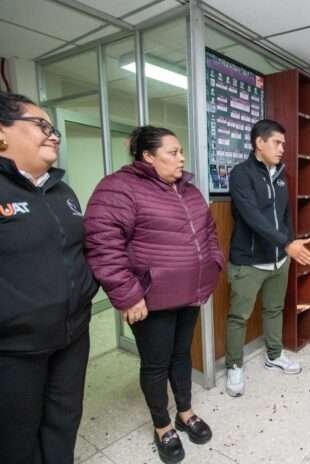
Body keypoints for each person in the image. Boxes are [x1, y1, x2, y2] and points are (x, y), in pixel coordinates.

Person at [84, 126, 222, 464]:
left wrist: (213, 263)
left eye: (181, 151)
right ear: (148, 156)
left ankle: (185, 413)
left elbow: (209, 232)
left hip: (190, 292)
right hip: (150, 298)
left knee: (181, 355)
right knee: (156, 363)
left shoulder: (188, 190)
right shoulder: (118, 188)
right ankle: (163, 426)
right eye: (173, 152)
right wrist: (129, 295)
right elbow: (103, 246)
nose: (182, 158)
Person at [0, 91, 99, 463]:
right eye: (41, 125)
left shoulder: (62, 191)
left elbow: (81, 250)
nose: (53, 135)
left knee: (64, 422)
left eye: (54, 128)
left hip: (72, 337)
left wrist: (86, 291)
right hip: (15, 349)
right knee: (16, 437)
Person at [225, 119, 310, 397]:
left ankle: (274, 355)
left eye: (283, 144)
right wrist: (287, 244)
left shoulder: (281, 175)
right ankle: (234, 365)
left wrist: (289, 245)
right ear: (259, 143)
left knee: (274, 309)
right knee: (238, 317)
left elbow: (286, 217)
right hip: (249, 261)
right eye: (277, 143)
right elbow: (251, 216)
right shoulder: (241, 174)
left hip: (279, 260)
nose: (281, 149)